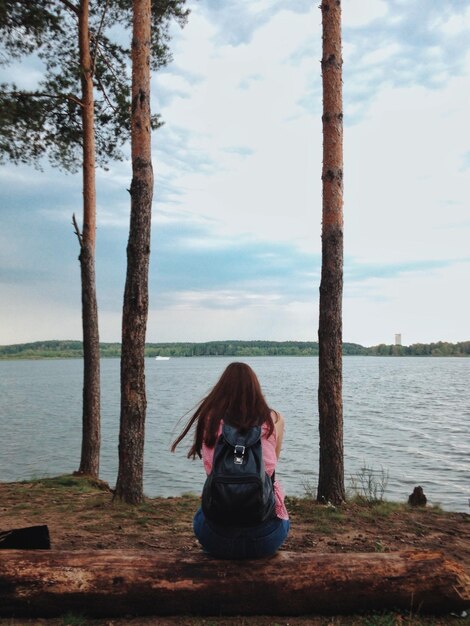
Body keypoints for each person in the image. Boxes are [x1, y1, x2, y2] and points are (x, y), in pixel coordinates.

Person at [171, 362, 289, 559]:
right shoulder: (274, 420)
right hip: (265, 538)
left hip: (216, 537)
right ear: (255, 388)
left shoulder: (209, 419)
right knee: (278, 506)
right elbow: (269, 471)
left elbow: (211, 471)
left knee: (201, 514)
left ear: (221, 389)